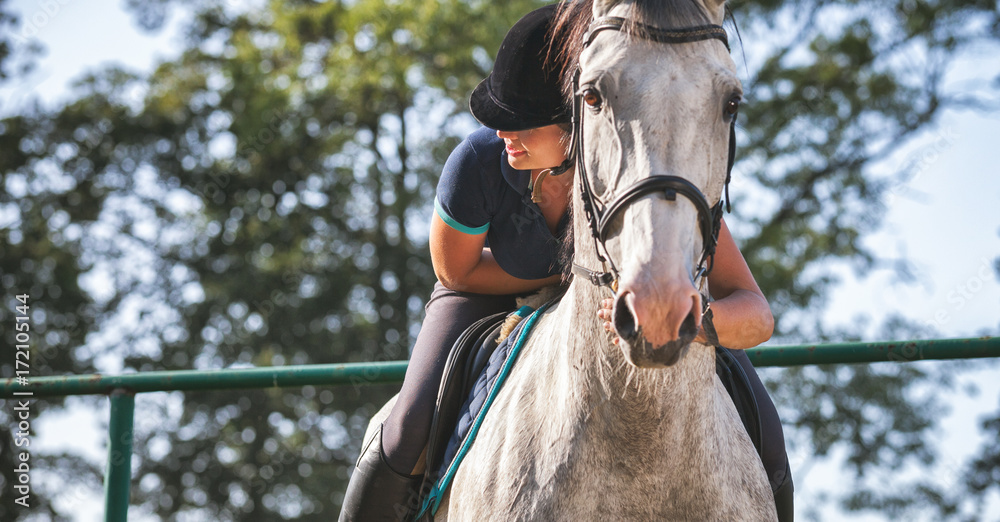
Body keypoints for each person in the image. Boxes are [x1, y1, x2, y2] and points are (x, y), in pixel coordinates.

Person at [339, 4, 792, 521]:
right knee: (405, 426)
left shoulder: (623, 172)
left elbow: (754, 309)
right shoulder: (479, 162)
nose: (501, 132)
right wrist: (574, 275)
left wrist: (701, 321)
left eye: (521, 124)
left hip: (635, 287)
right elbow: (454, 271)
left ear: (574, 126)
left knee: (767, 437)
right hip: (480, 286)